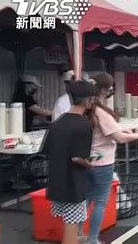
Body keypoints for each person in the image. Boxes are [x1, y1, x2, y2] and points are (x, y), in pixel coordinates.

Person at [83, 73, 138, 244]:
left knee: (86, 199)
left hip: (89, 159)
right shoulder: (101, 111)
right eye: (111, 89)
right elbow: (119, 138)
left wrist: (125, 132)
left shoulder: (88, 108)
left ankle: (77, 233)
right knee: (100, 202)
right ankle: (92, 239)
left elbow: (113, 133)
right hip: (103, 163)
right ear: (105, 90)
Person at [43, 81, 98, 244]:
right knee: (71, 223)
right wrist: (90, 164)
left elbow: (46, 150)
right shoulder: (84, 126)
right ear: (89, 101)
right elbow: (77, 158)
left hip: (56, 180)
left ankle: (76, 239)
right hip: (73, 182)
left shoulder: (57, 122)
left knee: (67, 221)